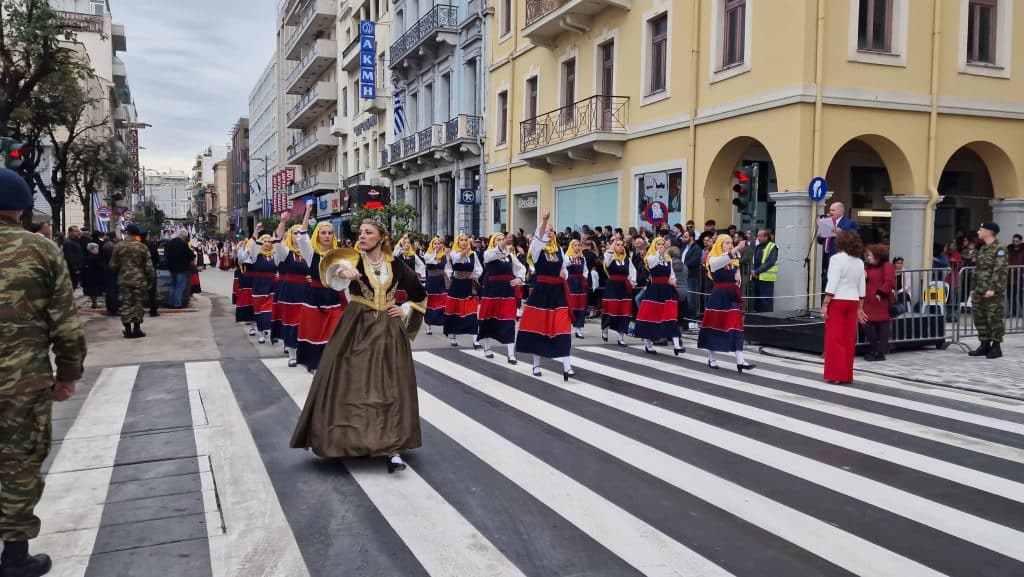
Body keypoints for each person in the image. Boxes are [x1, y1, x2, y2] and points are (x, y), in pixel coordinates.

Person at [0, 167, 85, 577]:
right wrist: (68, 373)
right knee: (18, 461)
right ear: (20, 209)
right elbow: (65, 322)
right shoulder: (41, 249)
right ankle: (15, 556)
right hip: (23, 381)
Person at [291, 219, 427, 474]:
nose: (362, 236)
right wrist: (344, 273)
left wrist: (405, 308)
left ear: (381, 238)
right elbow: (331, 268)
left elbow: (419, 293)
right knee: (353, 383)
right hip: (357, 327)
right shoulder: (352, 260)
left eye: (369, 232)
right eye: (361, 232)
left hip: (388, 330)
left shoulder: (396, 265)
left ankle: (392, 447)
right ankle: (350, 440)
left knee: (390, 388)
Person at [516, 213, 576, 380]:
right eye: (546, 231)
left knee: (563, 326)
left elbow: (564, 270)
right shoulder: (536, 249)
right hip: (541, 293)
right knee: (538, 327)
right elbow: (538, 238)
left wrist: (565, 274)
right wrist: (544, 222)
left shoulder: (559, 251)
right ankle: (536, 364)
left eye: (551, 231)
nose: (549, 233)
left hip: (558, 293)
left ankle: (567, 366)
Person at [295, 221, 349, 373]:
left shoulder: (339, 255)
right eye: (323, 233)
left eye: (330, 233)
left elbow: (344, 278)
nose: (327, 236)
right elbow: (302, 238)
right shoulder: (311, 253)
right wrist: (306, 213)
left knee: (336, 333)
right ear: (317, 235)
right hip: (314, 299)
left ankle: (332, 366)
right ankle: (315, 365)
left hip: (333, 297)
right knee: (315, 334)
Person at [697, 234, 756, 372]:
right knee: (715, 326)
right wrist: (736, 248)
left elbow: (736, 273)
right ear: (720, 245)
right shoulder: (713, 259)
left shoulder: (732, 261)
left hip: (731, 295)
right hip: (719, 296)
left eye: (731, 242)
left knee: (736, 326)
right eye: (726, 243)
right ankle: (712, 358)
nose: (730, 244)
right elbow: (721, 261)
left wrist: (738, 275)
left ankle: (740, 360)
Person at [821, 231, 867, 384]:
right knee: (848, 339)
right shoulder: (859, 262)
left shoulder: (836, 259)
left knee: (834, 338)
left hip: (838, 299)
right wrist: (861, 306)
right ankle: (847, 374)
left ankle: (836, 374)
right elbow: (862, 285)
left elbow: (832, 282)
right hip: (853, 300)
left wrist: (825, 303)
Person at [272, 204, 313, 367]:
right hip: (289, 291)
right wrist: (282, 222)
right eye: (294, 233)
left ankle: (303, 349)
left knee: (305, 321)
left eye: (299, 233)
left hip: (307, 291)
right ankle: (292, 353)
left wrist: (307, 212)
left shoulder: (309, 252)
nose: (297, 236)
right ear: (290, 236)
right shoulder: (285, 252)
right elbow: (277, 241)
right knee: (290, 322)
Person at [476, 232, 526, 363]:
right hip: (491, 292)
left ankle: (511, 354)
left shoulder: (509, 256)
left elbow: (521, 268)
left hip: (507, 291)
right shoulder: (488, 254)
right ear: (493, 242)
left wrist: (518, 279)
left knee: (509, 320)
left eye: (503, 239)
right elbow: (493, 255)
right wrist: (505, 243)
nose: (502, 241)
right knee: (488, 319)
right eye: (499, 239)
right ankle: (487, 347)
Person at [634, 237, 685, 355]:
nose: (661, 246)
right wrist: (659, 253)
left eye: (663, 244)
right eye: (658, 244)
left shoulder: (668, 260)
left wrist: (673, 280)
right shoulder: (650, 257)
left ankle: (677, 345)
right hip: (655, 290)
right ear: (654, 246)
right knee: (650, 317)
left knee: (671, 316)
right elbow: (652, 264)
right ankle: (648, 343)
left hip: (667, 290)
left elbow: (671, 274)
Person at [968, 222, 1008, 359]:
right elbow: (977, 271)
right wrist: (973, 289)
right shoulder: (983, 249)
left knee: (994, 318)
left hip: (992, 292)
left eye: (981, 229)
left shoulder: (1000, 249)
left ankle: (996, 347)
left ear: (989, 232)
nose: (978, 232)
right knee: (980, 318)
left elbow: (999, 270)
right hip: (979, 290)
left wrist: (993, 288)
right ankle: (984, 344)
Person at [109, 224, 156, 338]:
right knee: (138, 304)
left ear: (126, 233)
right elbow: (149, 267)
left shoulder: (118, 246)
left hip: (124, 280)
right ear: (137, 234)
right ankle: (137, 329)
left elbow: (112, 265)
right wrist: (150, 279)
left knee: (126, 304)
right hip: (139, 280)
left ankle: (127, 329)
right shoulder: (142, 247)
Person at [443, 233, 482, 348]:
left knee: (472, 311)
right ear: (458, 242)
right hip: (457, 284)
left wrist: (476, 275)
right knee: (455, 310)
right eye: (462, 240)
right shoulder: (453, 253)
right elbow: (457, 260)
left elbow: (479, 268)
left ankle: (475, 339)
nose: (464, 242)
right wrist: (450, 279)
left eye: (466, 240)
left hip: (469, 285)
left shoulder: (473, 254)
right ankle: (453, 337)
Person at [862, 244, 895, 361]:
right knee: (866, 324)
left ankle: (880, 351)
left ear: (878, 256)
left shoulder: (887, 266)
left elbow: (889, 282)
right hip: (868, 300)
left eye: (870, 255)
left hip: (881, 300)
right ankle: (875, 348)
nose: (868, 257)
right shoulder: (868, 267)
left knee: (883, 325)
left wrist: (880, 293)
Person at [601, 238, 635, 346]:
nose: (620, 246)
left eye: (622, 245)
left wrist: (632, 283)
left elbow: (632, 272)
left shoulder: (627, 259)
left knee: (624, 312)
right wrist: (614, 241)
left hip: (624, 288)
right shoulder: (610, 258)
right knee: (611, 310)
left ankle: (621, 337)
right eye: (618, 245)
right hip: (612, 287)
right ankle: (605, 328)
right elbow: (608, 254)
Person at [817, 202, 858, 290]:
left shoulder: (849, 223)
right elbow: (820, 241)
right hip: (826, 258)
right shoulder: (827, 222)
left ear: (841, 211)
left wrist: (840, 232)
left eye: (833, 210)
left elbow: (853, 239)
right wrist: (820, 235)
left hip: (839, 257)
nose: (830, 212)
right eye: (830, 210)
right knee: (826, 285)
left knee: (836, 285)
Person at [421, 237, 448, 335]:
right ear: (431, 245)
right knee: (430, 302)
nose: (437, 245)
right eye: (435, 244)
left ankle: (443, 322)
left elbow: (447, 267)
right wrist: (435, 252)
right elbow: (431, 261)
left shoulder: (444, 255)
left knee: (443, 301)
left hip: (441, 280)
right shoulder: (428, 254)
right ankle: (428, 325)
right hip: (432, 281)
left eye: (439, 243)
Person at [564, 239, 589, 338]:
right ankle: (566, 327)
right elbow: (566, 265)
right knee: (570, 306)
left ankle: (578, 329)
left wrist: (585, 277)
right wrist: (575, 257)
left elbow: (585, 270)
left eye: (579, 245)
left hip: (580, 283)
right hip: (570, 283)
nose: (577, 247)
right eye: (575, 245)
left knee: (580, 307)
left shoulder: (583, 258)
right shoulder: (567, 257)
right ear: (571, 246)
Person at [750, 229, 779, 312]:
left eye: (759, 236)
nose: (757, 238)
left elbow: (770, 262)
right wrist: (752, 270)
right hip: (756, 278)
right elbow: (753, 260)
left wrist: (756, 271)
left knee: (766, 301)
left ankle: (767, 319)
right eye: (757, 235)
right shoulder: (757, 247)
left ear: (766, 237)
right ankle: (757, 317)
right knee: (757, 300)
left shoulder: (773, 247)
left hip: (766, 279)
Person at [164, 229, 193, 308]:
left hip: (172, 268)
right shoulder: (183, 244)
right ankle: (177, 304)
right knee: (180, 286)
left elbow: (166, 254)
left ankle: (170, 303)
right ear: (184, 236)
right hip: (181, 268)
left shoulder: (170, 242)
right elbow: (190, 254)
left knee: (173, 285)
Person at [81, 242, 106, 309]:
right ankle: (94, 304)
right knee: (94, 291)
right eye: (96, 248)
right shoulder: (94, 257)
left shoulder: (87, 256)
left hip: (90, 276)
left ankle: (94, 303)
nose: (97, 250)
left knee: (92, 291)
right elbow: (99, 266)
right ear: (91, 249)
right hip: (94, 276)